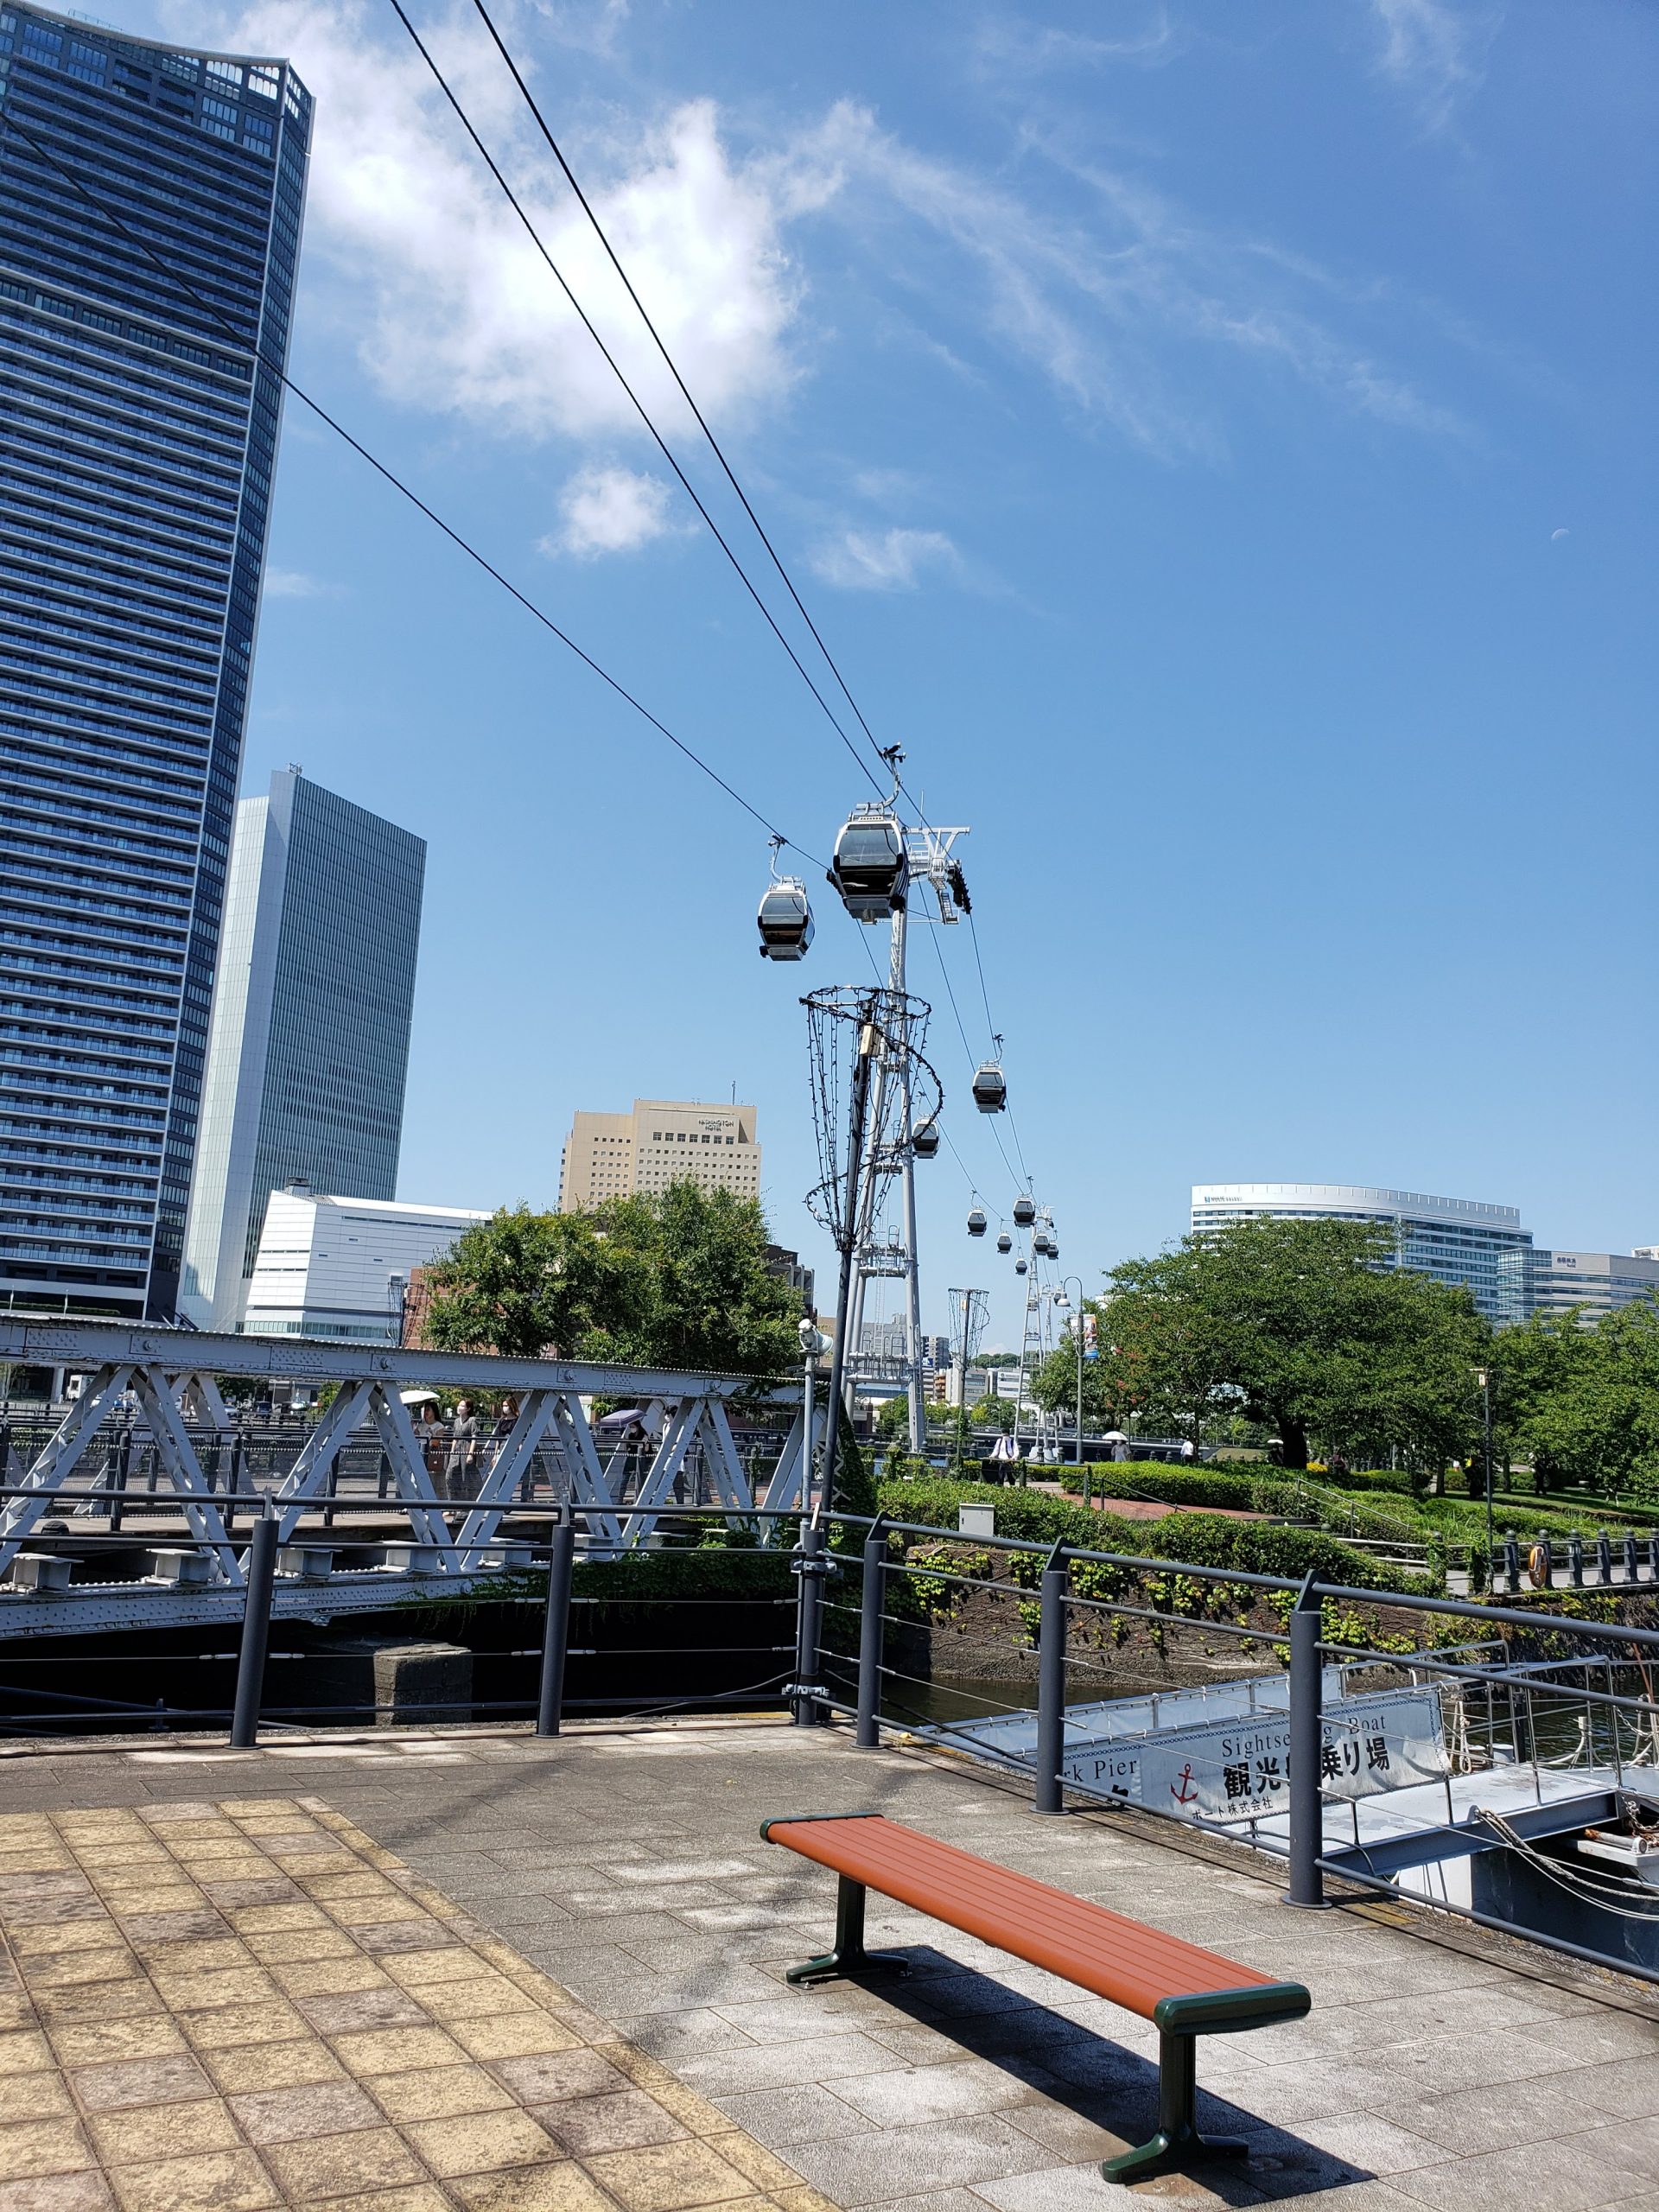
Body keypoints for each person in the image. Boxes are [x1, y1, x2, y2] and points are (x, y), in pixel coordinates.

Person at [446, 1398, 480, 1503]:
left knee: (466, 1477)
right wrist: (452, 1451)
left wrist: (470, 1454)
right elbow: (455, 1438)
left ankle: (467, 1503)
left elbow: (474, 1438)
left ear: (468, 1409)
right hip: (457, 1451)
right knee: (450, 1476)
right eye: (459, 1405)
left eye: (462, 1406)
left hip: (466, 1449)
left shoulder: (472, 1421)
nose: (459, 1407)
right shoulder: (456, 1421)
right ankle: (452, 1502)